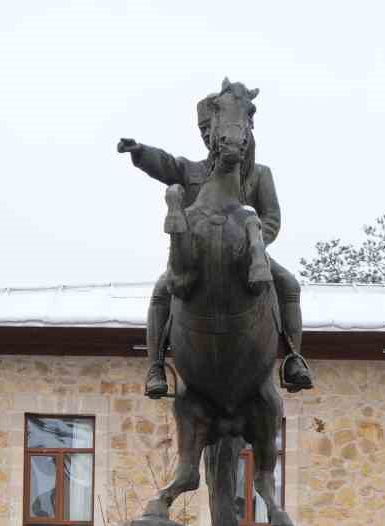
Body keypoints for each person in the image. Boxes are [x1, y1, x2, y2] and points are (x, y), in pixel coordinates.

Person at [118, 91, 313, 397]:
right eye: (204, 131)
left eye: (212, 128)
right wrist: (140, 152)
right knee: (160, 292)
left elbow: (272, 218)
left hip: (246, 254)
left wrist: (255, 244)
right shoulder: (191, 171)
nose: (209, 135)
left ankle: (292, 358)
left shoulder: (260, 174)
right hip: (196, 256)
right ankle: (156, 366)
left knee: (289, 285)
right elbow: (165, 164)